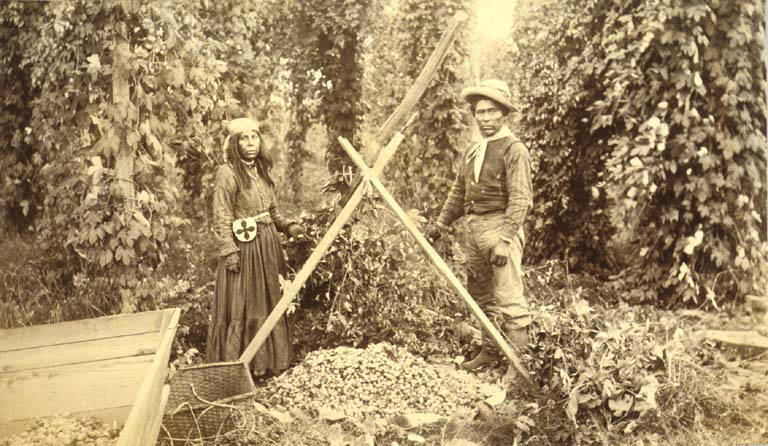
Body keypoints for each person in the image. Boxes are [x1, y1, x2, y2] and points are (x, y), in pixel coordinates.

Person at [427, 79, 533, 373]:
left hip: (501, 228)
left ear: (504, 113)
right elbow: (459, 192)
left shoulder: (514, 150)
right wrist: (440, 224)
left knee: (510, 299)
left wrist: (506, 240)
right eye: (480, 112)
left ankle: (518, 368)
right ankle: (489, 353)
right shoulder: (474, 148)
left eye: (491, 112)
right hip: (474, 231)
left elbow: (521, 199)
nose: (485, 118)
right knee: (482, 297)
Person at [207, 117, 305, 377]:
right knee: (245, 304)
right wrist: (229, 251)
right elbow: (222, 215)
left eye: (254, 137)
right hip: (246, 250)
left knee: (268, 302)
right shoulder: (227, 173)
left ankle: (269, 364)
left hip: (268, 248)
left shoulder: (261, 172)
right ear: (234, 143)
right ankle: (241, 367)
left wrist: (289, 227)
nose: (250, 143)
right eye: (244, 138)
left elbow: (271, 212)